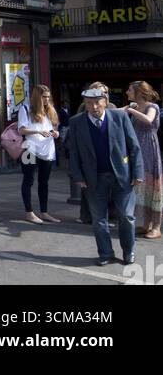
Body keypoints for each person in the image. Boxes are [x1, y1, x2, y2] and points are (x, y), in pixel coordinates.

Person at [67, 81, 144, 266]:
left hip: (122, 176)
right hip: (94, 178)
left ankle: (129, 251)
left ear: (105, 101)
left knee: (126, 216)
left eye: (97, 102)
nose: (94, 107)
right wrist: (77, 176)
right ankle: (106, 253)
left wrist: (138, 172)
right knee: (99, 219)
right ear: (84, 103)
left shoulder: (119, 117)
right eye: (89, 103)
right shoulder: (76, 122)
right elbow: (74, 152)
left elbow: (134, 147)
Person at [17, 83, 60, 223]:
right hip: (29, 149)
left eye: (48, 97)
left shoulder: (50, 110)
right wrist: (38, 131)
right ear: (37, 97)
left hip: (47, 150)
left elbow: (54, 127)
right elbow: (21, 130)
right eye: (44, 97)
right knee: (28, 180)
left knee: (44, 182)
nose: (47, 100)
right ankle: (29, 212)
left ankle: (44, 212)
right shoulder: (25, 109)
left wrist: (56, 133)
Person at [125, 80, 162, 239]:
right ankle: (146, 224)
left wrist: (131, 111)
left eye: (129, 90)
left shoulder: (151, 106)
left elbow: (148, 120)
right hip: (137, 149)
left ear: (138, 92)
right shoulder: (133, 107)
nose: (127, 92)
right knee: (142, 187)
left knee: (153, 188)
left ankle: (157, 227)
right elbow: (118, 112)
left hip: (149, 148)